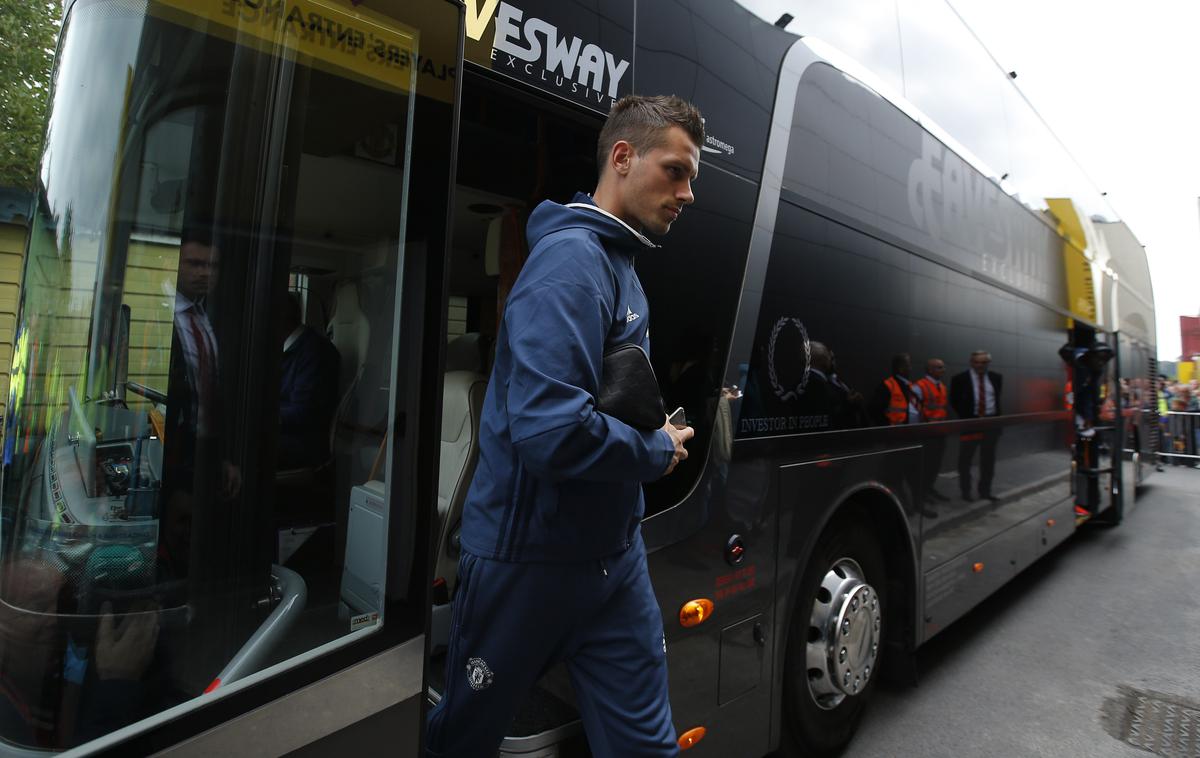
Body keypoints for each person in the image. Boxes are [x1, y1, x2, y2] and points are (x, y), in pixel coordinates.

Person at [426, 95, 702, 757]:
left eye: (692, 178)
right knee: (464, 740)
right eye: (676, 171)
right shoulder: (571, 264)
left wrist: (644, 427)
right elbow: (549, 432)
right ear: (623, 157)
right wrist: (652, 448)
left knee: (646, 747)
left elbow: (595, 397)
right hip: (529, 564)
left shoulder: (624, 268)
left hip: (612, 556)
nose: (687, 194)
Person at [277, 292, 340, 470]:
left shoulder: (315, 352)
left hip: (303, 442)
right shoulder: (290, 349)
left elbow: (303, 412)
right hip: (289, 434)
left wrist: (263, 416)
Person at [950, 350, 1003, 501]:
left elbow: (997, 399)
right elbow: (954, 401)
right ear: (971, 362)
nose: (980, 365)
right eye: (976, 362)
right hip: (971, 424)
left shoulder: (996, 378)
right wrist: (968, 418)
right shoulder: (959, 379)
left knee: (988, 461)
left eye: (984, 362)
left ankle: (985, 492)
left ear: (988, 363)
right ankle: (966, 491)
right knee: (965, 460)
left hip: (991, 424)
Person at [915, 358, 949, 504]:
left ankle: (929, 488)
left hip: (940, 432)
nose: (943, 370)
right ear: (930, 370)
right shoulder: (920, 386)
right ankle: (921, 493)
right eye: (940, 367)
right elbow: (916, 410)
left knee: (935, 463)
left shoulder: (941, 386)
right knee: (926, 465)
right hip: (928, 433)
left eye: (943, 367)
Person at [871, 353, 920, 426]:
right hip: (893, 432)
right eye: (908, 365)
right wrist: (886, 428)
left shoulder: (911, 386)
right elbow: (875, 409)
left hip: (911, 430)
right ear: (900, 368)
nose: (911, 368)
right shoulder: (887, 385)